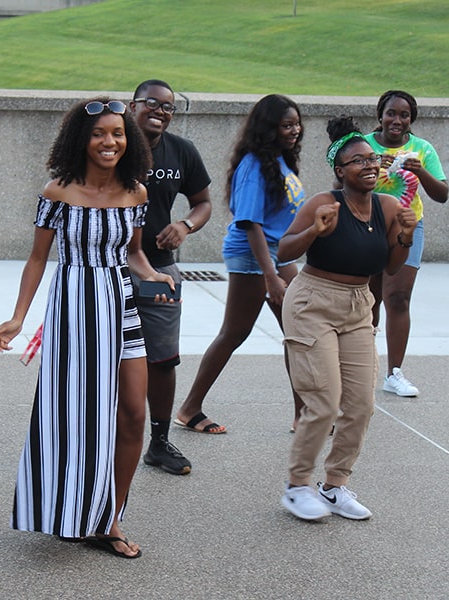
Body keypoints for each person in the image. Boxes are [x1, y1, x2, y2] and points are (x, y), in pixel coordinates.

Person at [0, 98, 174, 559]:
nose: (109, 142)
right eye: (99, 133)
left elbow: (132, 253)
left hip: (120, 306)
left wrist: (152, 274)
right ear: (82, 139)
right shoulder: (57, 192)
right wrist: (18, 317)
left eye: (117, 133)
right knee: (77, 419)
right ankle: (72, 511)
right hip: (73, 307)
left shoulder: (136, 192)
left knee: (133, 412)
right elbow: (38, 258)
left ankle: (110, 517)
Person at [277, 116, 417, 521]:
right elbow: (284, 250)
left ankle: (335, 485)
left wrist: (405, 236)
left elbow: (391, 268)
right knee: (324, 400)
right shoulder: (324, 203)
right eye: (358, 161)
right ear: (340, 171)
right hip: (312, 303)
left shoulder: (388, 207)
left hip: (359, 305)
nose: (369, 165)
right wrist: (314, 233)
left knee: (361, 404)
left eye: (372, 159)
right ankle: (297, 485)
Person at [177, 94, 306, 436]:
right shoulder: (253, 164)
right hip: (255, 256)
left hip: (279, 254)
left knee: (299, 333)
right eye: (286, 124)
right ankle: (189, 408)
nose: (295, 130)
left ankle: (303, 413)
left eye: (296, 124)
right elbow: (250, 222)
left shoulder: (280, 160)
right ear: (269, 128)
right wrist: (271, 276)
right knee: (235, 332)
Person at [128, 80, 212, 476]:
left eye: (169, 107)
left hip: (160, 269)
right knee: (106, 357)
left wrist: (185, 225)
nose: (161, 111)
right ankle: (97, 436)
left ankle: (159, 443)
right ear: (132, 105)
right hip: (107, 268)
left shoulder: (181, 151)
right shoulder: (110, 144)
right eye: (153, 104)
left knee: (162, 359)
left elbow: (203, 202)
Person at [364, 90, 449, 397]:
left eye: (404, 115)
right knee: (368, 298)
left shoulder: (422, 149)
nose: (396, 120)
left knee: (398, 297)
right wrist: (374, 164)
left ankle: (393, 373)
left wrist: (419, 170)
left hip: (408, 226)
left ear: (411, 119)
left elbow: (442, 193)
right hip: (368, 225)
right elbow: (341, 183)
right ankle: (361, 366)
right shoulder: (365, 144)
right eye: (391, 113)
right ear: (380, 115)